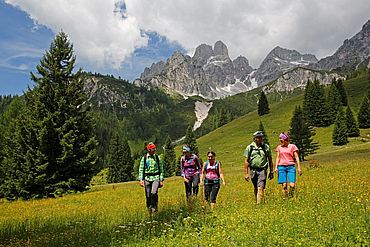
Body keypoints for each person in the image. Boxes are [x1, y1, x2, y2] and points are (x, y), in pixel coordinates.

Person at [244, 131, 274, 204]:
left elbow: (270, 160)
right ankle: (259, 200)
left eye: (261, 137)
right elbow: (246, 161)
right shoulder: (250, 147)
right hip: (253, 170)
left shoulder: (266, 147)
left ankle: (259, 204)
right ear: (255, 138)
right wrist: (246, 173)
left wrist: (271, 171)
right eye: (258, 137)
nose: (260, 139)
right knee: (256, 187)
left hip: (262, 170)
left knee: (260, 187)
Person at [138, 142, 164, 214]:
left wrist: (161, 180)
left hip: (156, 177)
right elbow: (141, 169)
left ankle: (155, 208)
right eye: (153, 149)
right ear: (149, 150)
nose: (155, 150)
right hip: (147, 178)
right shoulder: (145, 158)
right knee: (148, 195)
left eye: (155, 149)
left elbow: (161, 169)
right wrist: (141, 179)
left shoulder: (157, 158)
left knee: (154, 192)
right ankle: (149, 210)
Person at [275, 132, 302, 198]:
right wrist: (276, 167)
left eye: (281, 140)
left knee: (292, 185)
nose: (280, 141)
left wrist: (299, 167)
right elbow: (278, 157)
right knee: (284, 185)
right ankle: (286, 198)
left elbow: (296, 157)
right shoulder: (279, 147)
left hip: (291, 167)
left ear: (286, 140)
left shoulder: (293, 146)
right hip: (281, 167)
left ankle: (291, 195)